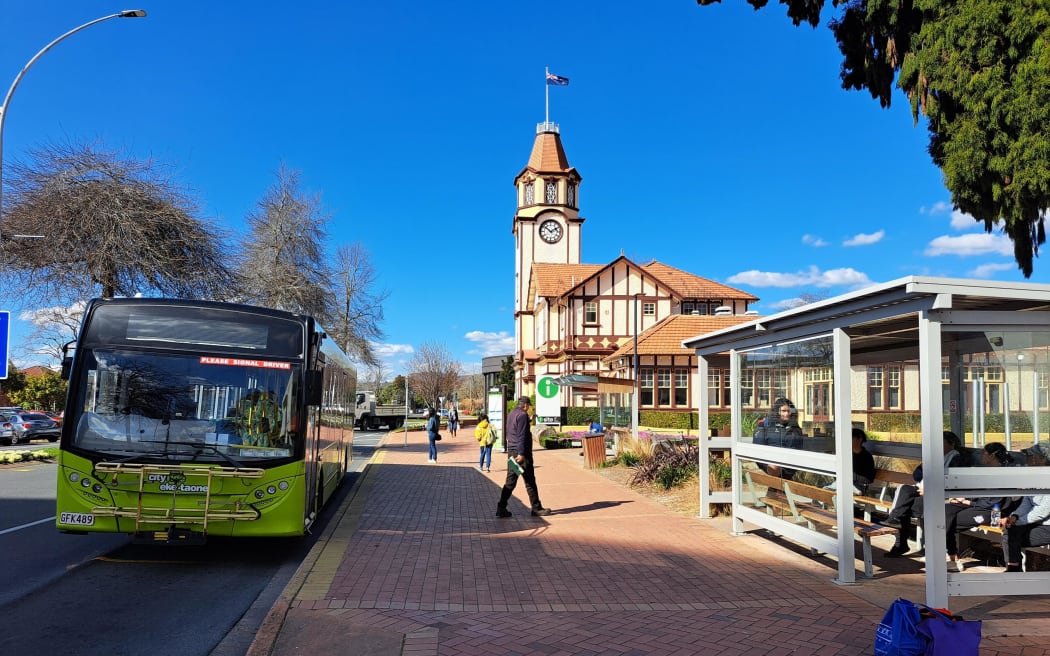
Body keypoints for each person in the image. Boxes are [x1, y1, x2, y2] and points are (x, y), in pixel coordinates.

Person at [883, 430, 968, 558]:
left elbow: (952, 482)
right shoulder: (935, 457)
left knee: (905, 505)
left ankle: (900, 543)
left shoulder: (956, 458)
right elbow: (916, 476)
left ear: (951, 443)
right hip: (923, 491)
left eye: (941, 442)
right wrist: (926, 463)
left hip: (939, 496)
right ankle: (895, 521)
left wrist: (930, 491)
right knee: (904, 490)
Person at [943, 442, 1016, 571]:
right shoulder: (987, 471)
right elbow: (978, 492)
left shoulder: (1002, 474)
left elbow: (994, 501)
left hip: (992, 512)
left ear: (992, 456)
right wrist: (963, 499)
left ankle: (953, 557)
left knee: (949, 521)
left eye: (984, 453)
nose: (982, 455)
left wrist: (969, 502)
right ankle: (950, 555)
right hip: (976, 505)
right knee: (945, 511)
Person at [999, 444, 1050, 572]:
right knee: (1010, 531)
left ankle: (1013, 570)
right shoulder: (1034, 477)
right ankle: (1013, 569)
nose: (1027, 459)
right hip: (1036, 523)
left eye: (1030, 456)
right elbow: (1026, 502)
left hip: (1047, 526)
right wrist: (1014, 517)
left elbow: (1043, 511)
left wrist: (1019, 521)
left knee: (1011, 534)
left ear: (1043, 460)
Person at [496, 396, 550, 518]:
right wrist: (521, 454)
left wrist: (529, 420)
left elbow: (517, 429)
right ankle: (536, 508)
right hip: (521, 455)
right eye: (529, 406)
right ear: (525, 405)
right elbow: (521, 435)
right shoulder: (522, 416)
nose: (529, 408)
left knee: (510, 482)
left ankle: (501, 507)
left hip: (512, 452)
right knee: (530, 481)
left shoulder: (513, 414)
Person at [752, 398, 803, 478]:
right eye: (783, 411)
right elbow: (757, 450)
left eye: (788, 411)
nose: (786, 414)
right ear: (777, 412)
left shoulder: (795, 428)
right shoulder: (765, 426)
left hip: (789, 469)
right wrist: (768, 467)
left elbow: (799, 449)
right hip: (771, 468)